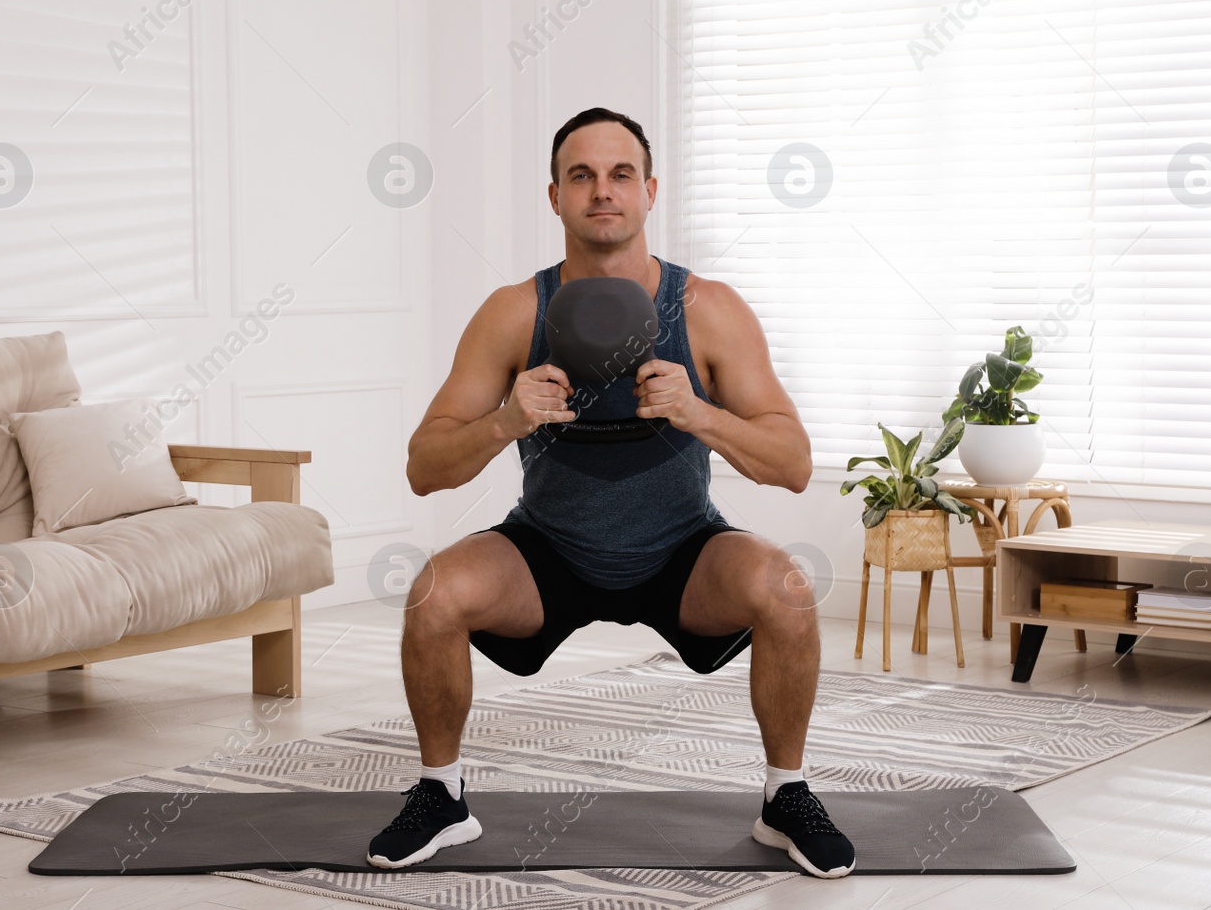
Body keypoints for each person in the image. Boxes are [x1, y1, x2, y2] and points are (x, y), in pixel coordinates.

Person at [365, 107, 855, 879]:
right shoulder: (514, 312)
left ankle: (784, 795)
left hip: (682, 549)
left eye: (621, 174)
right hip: (548, 549)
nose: (603, 192)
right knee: (433, 592)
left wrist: (697, 409)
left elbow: (793, 462)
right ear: (554, 196)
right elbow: (424, 465)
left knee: (786, 587)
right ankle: (442, 794)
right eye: (582, 176)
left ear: (650, 190)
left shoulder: (707, 310)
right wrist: (505, 419)